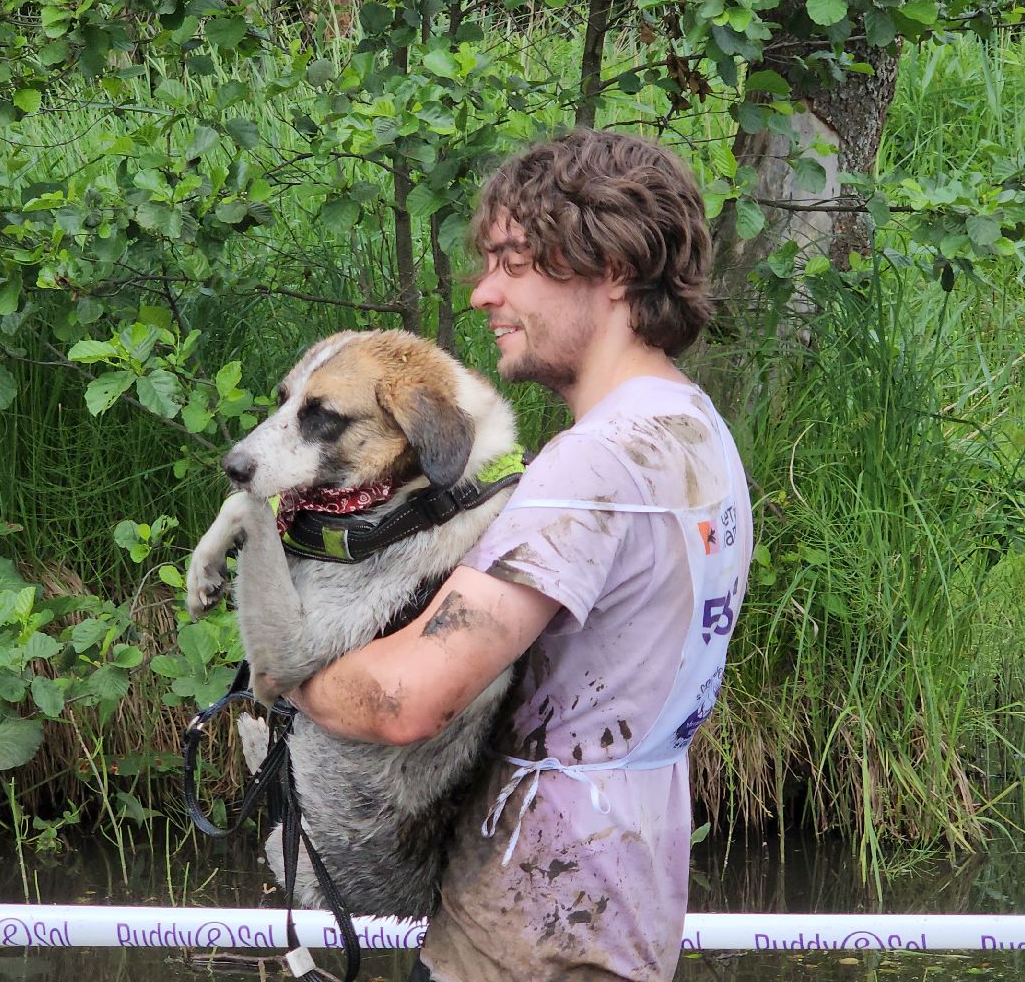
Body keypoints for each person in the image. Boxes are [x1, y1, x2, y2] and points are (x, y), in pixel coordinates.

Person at [281, 129, 754, 981]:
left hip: (530, 933)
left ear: (611, 267)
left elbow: (403, 701)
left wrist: (281, 674)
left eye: (514, 261)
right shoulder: (697, 433)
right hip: (625, 905)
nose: (482, 292)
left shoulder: (594, 465)